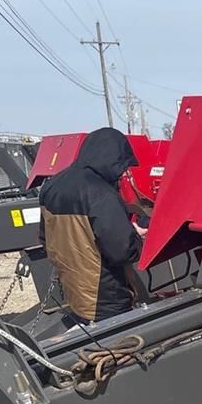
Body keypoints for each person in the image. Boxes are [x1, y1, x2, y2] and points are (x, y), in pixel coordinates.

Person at [39, 127, 147, 324]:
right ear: (112, 159)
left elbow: (46, 238)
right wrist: (137, 236)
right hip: (105, 297)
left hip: (76, 292)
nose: (123, 171)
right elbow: (122, 251)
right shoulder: (101, 194)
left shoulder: (52, 185)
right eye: (122, 165)